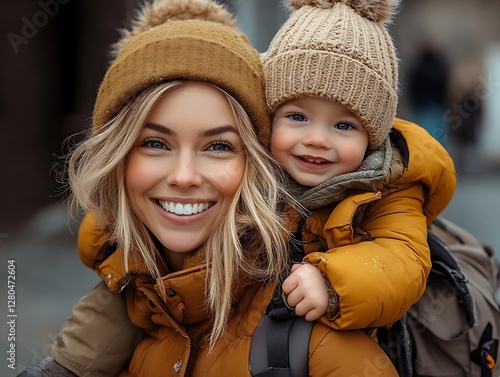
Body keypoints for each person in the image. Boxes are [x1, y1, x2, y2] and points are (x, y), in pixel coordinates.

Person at [18, 0, 399, 376]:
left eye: (218, 146)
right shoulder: (123, 301)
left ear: (259, 161)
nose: (184, 176)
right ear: (117, 156)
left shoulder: (319, 348)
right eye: (155, 143)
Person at [260, 0, 456, 330]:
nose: (318, 140)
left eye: (343, 126)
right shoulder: (250, 175)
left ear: (373, 137)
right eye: (297, 117)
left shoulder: (390, 186)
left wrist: (332, 282)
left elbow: (403, 262)